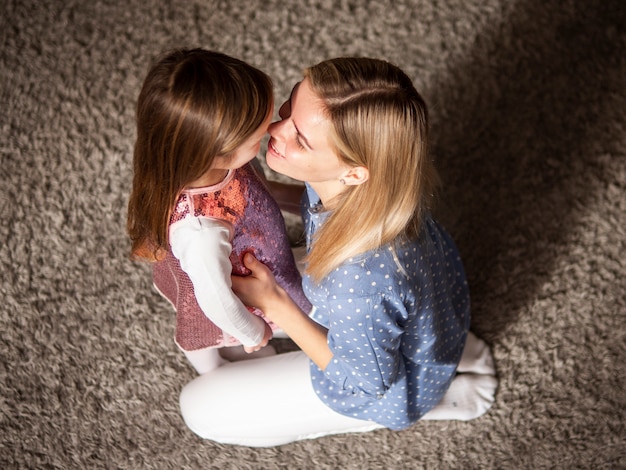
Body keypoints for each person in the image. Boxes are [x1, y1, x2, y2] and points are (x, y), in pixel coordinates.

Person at [178, 57, 498, 446]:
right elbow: (314, 199)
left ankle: (435, 399)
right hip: (426, 318)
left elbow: (366, 384)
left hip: (390, 384)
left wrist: (277, 305)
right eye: (289, 108)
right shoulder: (377, 187)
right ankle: (456, 350)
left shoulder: (359, 283)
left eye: (300, 138)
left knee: (198, 406)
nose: (273, 130)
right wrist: (266, 194)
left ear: (353, 171)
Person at [126, 48, 311, 374]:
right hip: (231, 285)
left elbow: (256, 192)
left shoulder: (214, 163)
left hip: (250, 247)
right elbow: (217, 299)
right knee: (208, 335)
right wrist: (253, 332)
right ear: (216, 153)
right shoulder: (202, 230)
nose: (271, 130)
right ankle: (211, 369)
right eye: (257, 134)